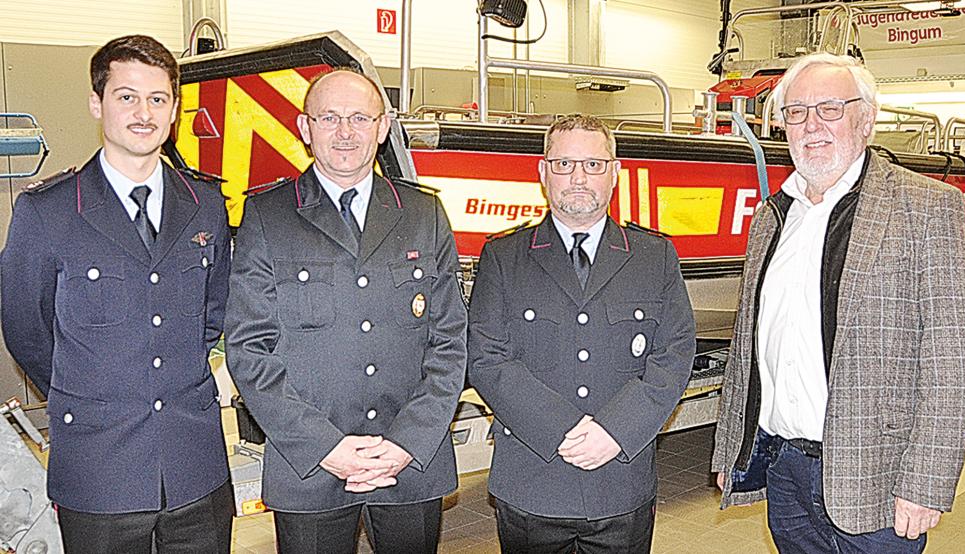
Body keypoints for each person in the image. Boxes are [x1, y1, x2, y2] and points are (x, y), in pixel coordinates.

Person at [711, 52, 965, 553]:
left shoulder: (928, 208)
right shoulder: (774, 216)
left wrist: (926, 482)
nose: (810, 124)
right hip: (785, 472)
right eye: (796, 111)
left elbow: (958, 363)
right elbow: (753, 345)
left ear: (867, 119)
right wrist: (736, 448)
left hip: (877, 478)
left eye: (830, 108)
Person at [0, 35, 233, 553]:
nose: (144, 112)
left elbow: (212, 313)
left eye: (158, 98)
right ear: (96, 103)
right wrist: (88, 393)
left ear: (174, 109)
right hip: (98, 469)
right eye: (126, 96)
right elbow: (25, 328)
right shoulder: (48, 212)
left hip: (195, 467)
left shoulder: (206, 204)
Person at [223, 68, 467, 554]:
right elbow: (249, 349)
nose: (346, 131)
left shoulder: (423, 213)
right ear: (305, 128)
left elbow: (451, 340)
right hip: (310, 467)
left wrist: (406, 443)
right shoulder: (268, 216)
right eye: (329, 117)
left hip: (409, 461)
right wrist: (325, 448)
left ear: (383, 127)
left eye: (360, 117)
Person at [467, 114, 696, 553]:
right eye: (564, 164)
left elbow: (673, 354)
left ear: (615, 174)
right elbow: (487, 359)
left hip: (620, 481)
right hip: (533, 481)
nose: (577, 177)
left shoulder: (655, 256)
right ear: (542, 172)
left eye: (593, 164)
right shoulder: (503, 256)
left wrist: (615, 430)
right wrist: (562, 429)